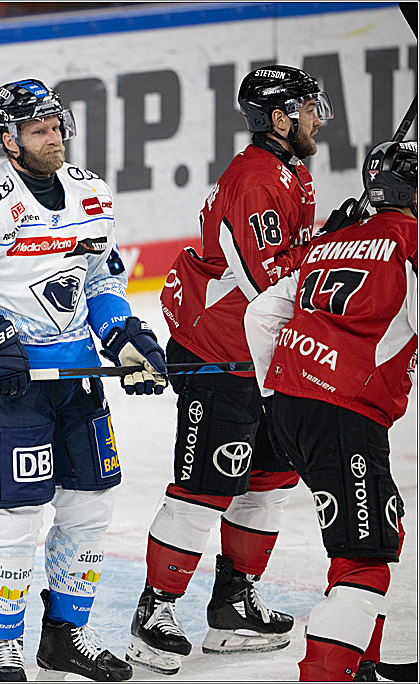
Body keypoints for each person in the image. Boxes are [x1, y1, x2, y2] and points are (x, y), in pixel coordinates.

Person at [0, 78, 167, 682]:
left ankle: (66, 637)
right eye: (40, 130)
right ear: (9, 140)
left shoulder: (92, 193)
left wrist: (124, 334)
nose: (55, 139)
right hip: (9, 385)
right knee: (15, 519)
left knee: (90, 509)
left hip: (76, 375)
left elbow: (101, 281)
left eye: (58, 127)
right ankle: (5, 645)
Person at [128, 65, 334, 676]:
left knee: (269, 481)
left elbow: (287, 262)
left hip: (265, 354)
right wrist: (339, 248)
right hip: (219, 354)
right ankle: (155, 609)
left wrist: (339, 233)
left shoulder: (291, 173)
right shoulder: (253, 181)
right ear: (279, 118)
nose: (318, 118)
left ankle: (233, 604)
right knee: (205, 488)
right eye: (308, 108)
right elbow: (266, 279)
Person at [244, 140, 417, 681]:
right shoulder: (411, 246)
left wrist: (281, 389)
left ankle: (360, 662)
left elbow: (261, 313)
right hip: (344, 414)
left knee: (378, 530)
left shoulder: (329, 243)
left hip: (294, 404)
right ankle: (327, 673)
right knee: (364, 556)